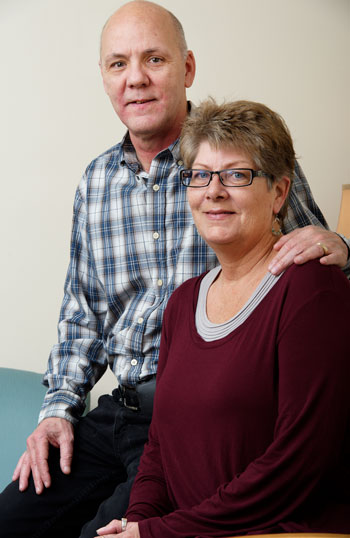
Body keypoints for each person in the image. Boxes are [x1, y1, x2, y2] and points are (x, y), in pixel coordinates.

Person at [0, 2, 349, 538]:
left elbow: (312, 263)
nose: (135, 78)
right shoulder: (95, 183)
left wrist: (342, 246)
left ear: (187, 68)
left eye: (154, 59)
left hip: (195, 417)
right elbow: (81, 316)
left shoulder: (245, 155)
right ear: (103, 77)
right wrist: (57, 411)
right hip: (115, 410)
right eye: (117, 64)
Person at [97, 99, 350, 538]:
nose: (213, 191)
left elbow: (296, 466)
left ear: (279, 193)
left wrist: (159, 532)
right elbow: (158, 446)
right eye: (200, 175)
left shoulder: (311, 290)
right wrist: (137, 520)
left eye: (237, 174)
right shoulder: (182, 302)